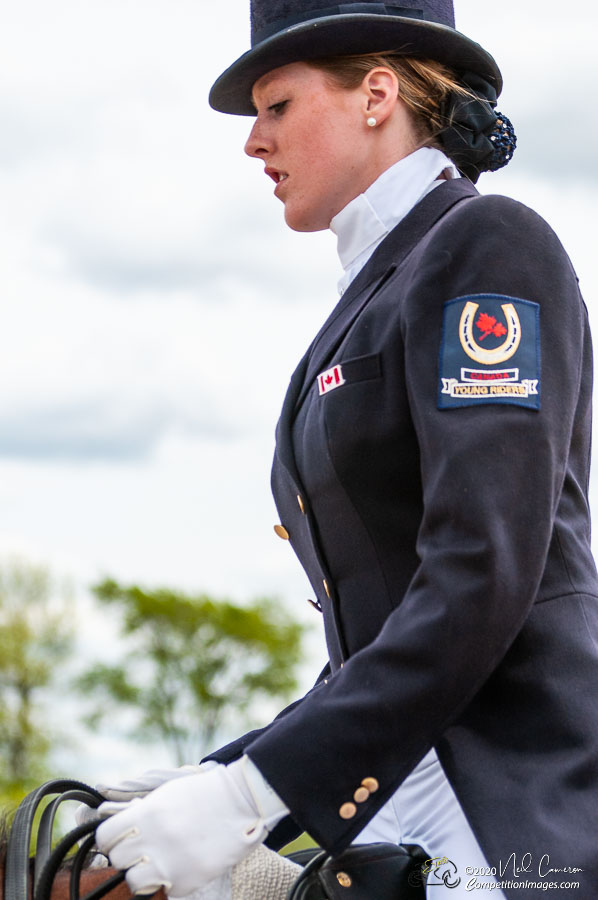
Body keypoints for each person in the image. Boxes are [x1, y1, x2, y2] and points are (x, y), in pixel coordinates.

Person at [94, 2, 598, 898]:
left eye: (277, 106)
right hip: (397, 805)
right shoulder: (369, 293)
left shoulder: (488, 244)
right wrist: (221, 773)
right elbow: (372, 639)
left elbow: (482, 573)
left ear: (376, 94)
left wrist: (253, 793)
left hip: (513, 816)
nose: (255, 142)